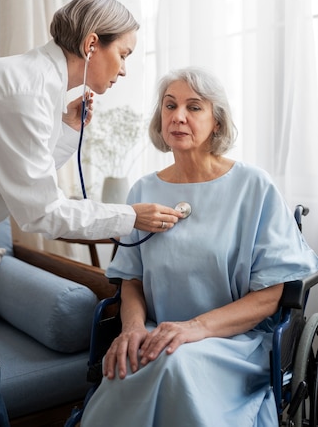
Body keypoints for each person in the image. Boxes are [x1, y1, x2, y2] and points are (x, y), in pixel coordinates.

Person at [0, 0, 182, 427]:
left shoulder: (37, 87)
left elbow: (18, 175)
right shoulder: (24, 90)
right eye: (123, 54)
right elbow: (39, 212)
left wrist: (67, 128)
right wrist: (130, 217)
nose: (125, 69)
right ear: (92, 45)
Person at [80, 66, 318, 427]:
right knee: (127, 370)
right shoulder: (143, 190)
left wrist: (195, 328)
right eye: (170, 105)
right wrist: (132, 329)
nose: (178, 116)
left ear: (217, 122)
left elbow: (273, 294)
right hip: (158, 333)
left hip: (233, 343)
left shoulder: (253, 187)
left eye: (194, 107)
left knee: (176, 365)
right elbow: (131, 280)